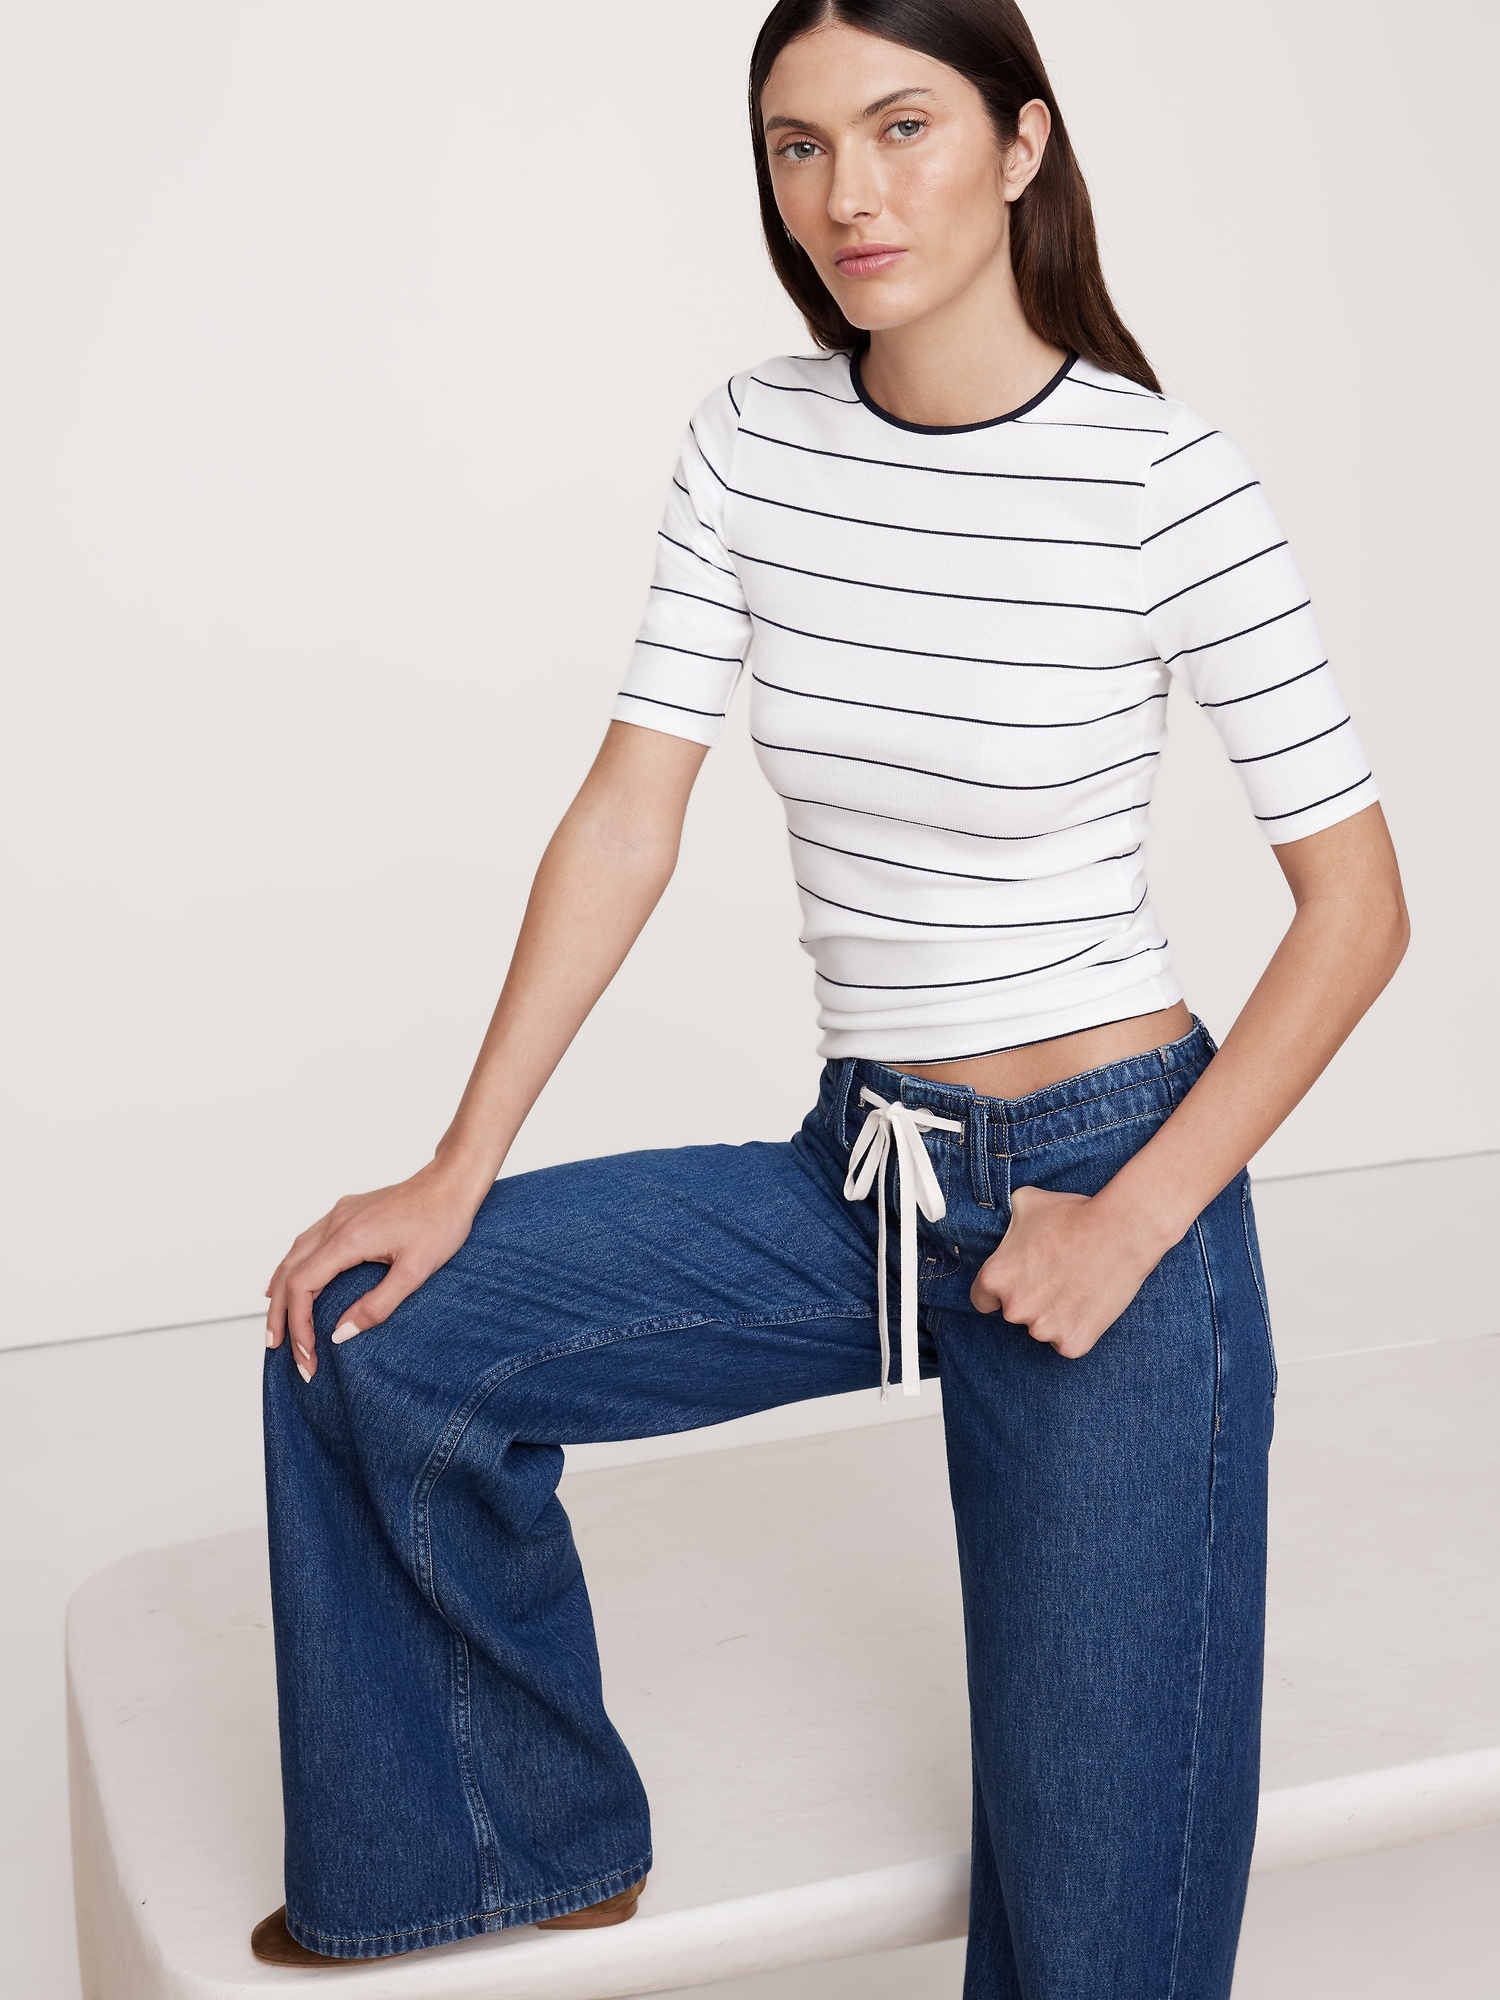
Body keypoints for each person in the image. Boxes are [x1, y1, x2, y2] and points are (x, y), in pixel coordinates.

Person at [255, 1, 1408, 1992]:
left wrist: (1136, 1218)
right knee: (374, 1331)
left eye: (901, 127)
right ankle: (502, 1845)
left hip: (1108, 1181)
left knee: (1091, 1943)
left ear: (1022, 146)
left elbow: (1359, 910)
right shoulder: (752, 439)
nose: (848, 193)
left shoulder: (1164, 481)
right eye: (799, 146)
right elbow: (630, 812)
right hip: (865, 1172)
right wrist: (459, 1165)